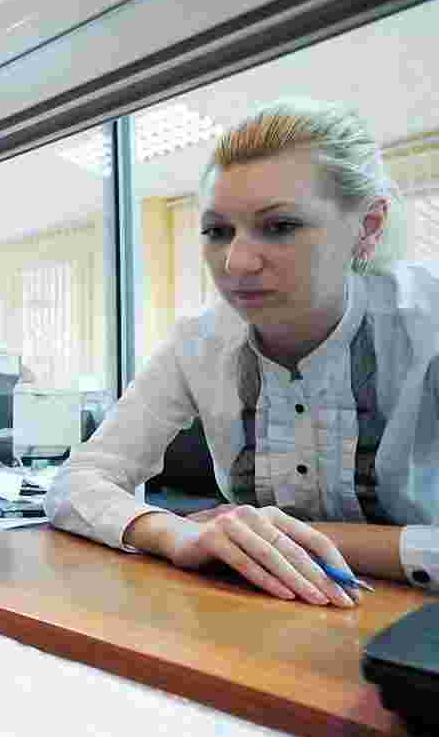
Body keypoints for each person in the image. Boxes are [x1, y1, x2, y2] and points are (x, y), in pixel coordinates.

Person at [47, 98, 439, 606]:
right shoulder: (199, 342)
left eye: (280, 227)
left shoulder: (427, 323)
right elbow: (77, 482)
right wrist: (180, 536)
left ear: (368, 226)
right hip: (259, 610)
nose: (236, 262)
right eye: (218, 231)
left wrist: (281, 537)